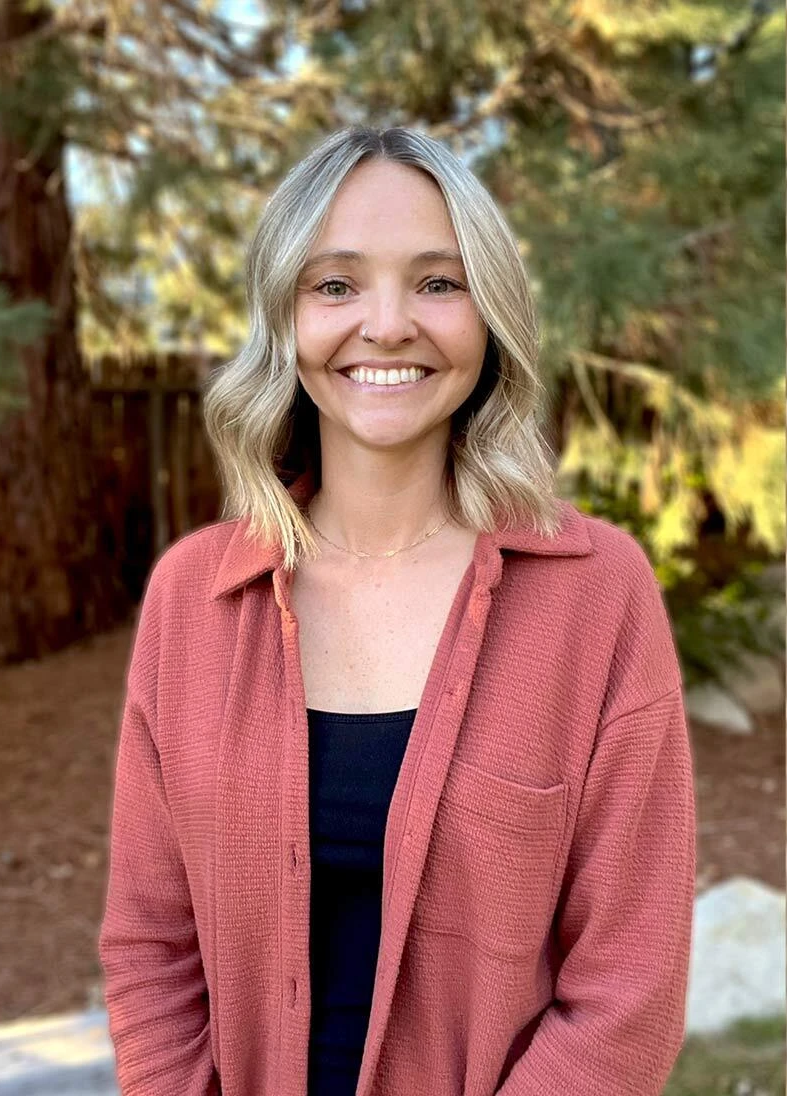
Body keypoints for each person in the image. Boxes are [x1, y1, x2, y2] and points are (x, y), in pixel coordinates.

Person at [98, 126, 697, 1096]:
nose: (386, 324)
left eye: (437, 282)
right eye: (335, 285)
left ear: (489, 314)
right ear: (283, 317)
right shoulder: (190, 600)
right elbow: (150, 948)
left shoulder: (599, 596)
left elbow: (627, 993)